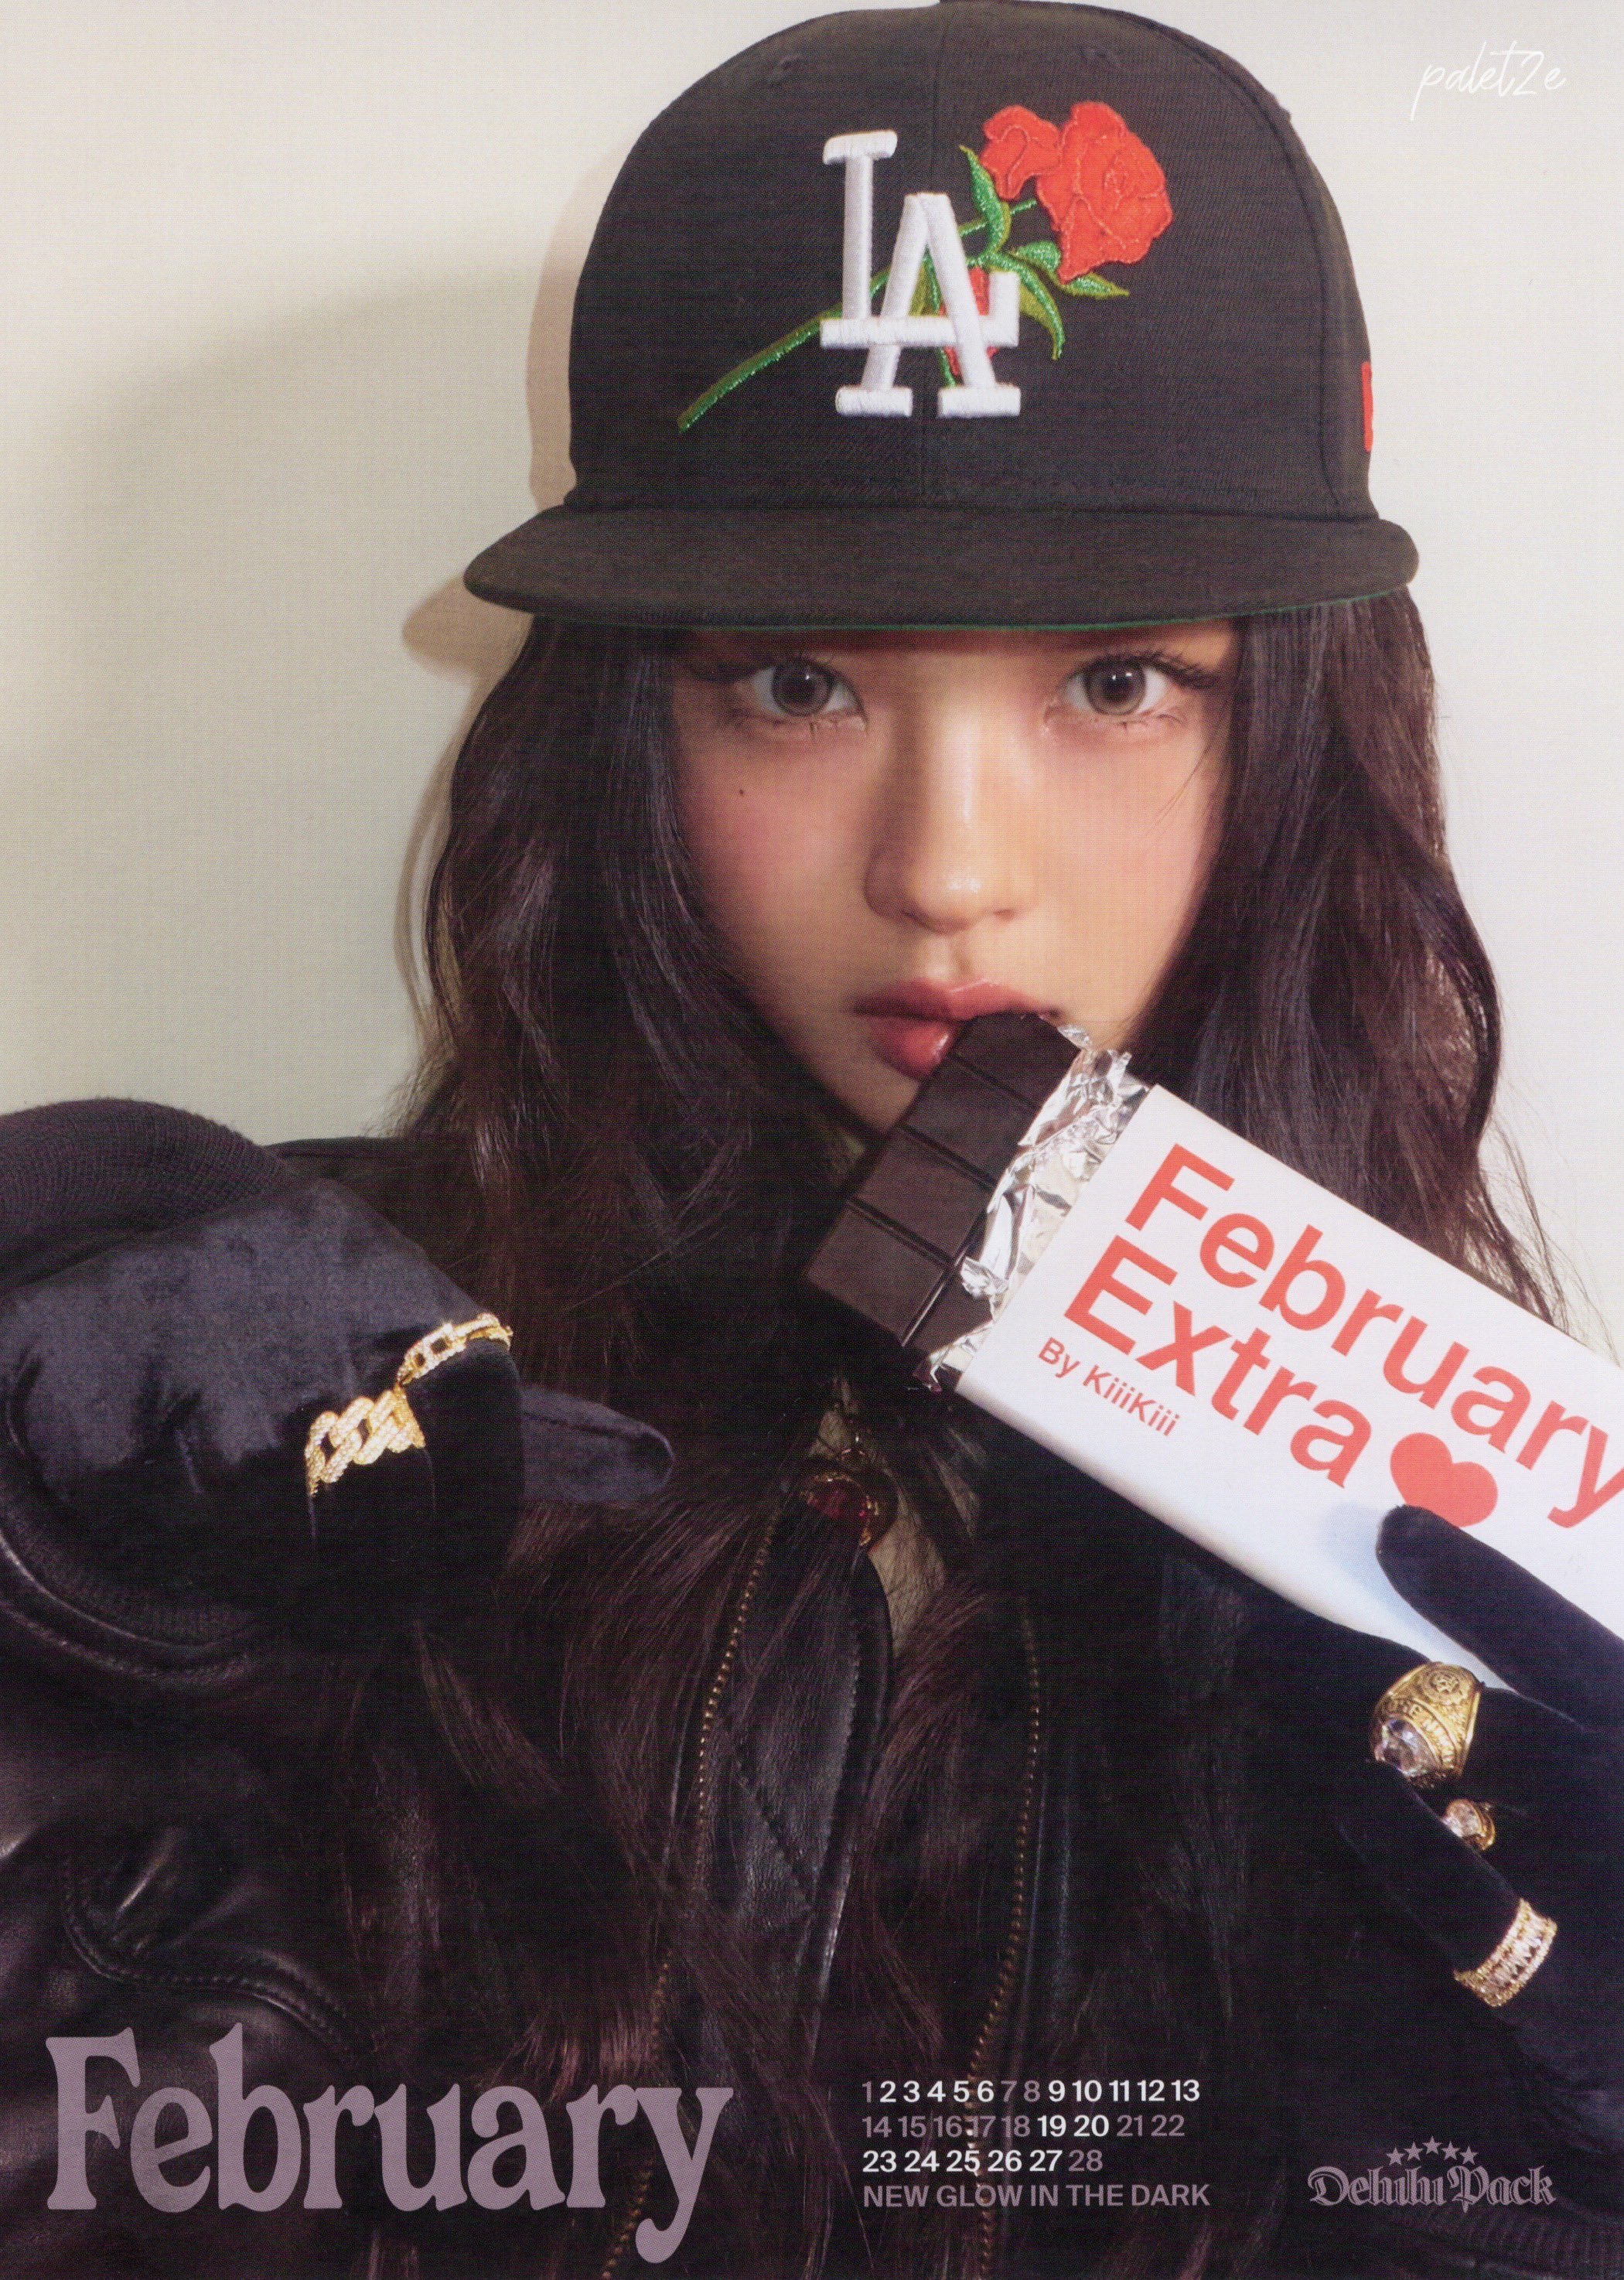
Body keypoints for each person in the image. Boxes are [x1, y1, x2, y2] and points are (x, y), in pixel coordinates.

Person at [299, 5, 1624, 2276]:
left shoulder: (1482, 1511)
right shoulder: (319, 1394)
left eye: (1115, 683)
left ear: (1299, 731)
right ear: (622, 733)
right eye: (795, 684)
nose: (945, 872)